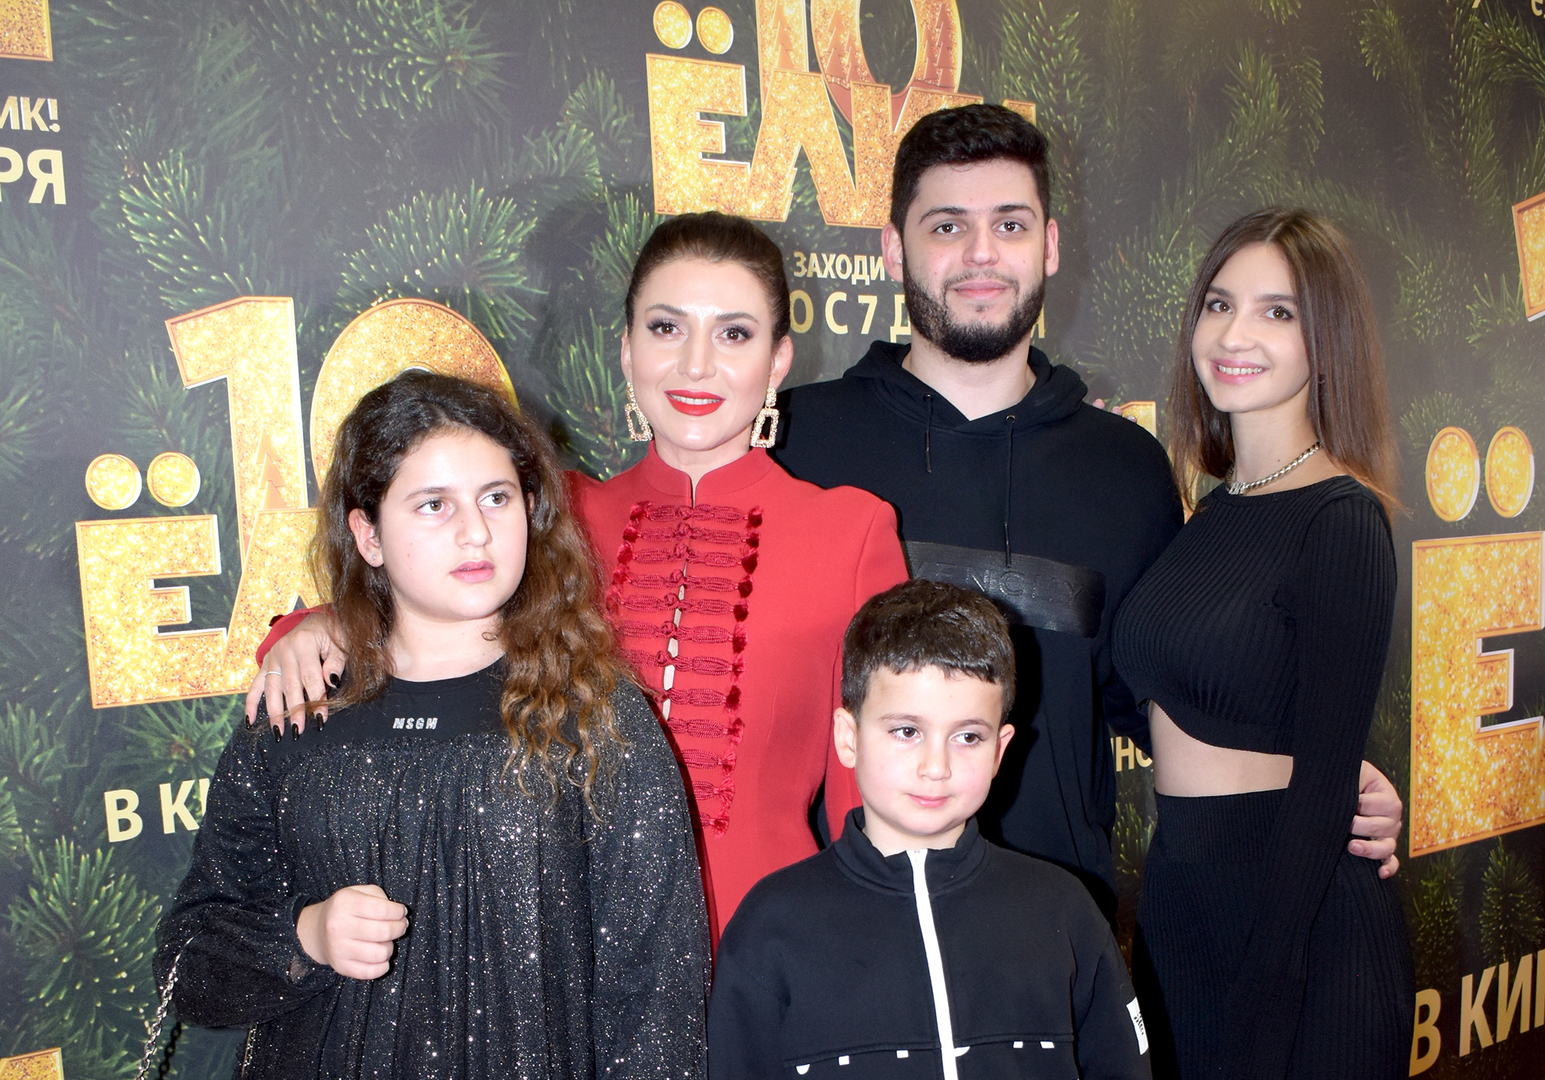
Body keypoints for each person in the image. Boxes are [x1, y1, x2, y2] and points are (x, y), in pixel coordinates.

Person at [771, 103, 1405, 916]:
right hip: (840, 922)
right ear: (893, 249)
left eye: (1008, 224)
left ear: (1049, 245)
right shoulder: (796, 441)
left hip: (1056, 928)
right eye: (946, 226)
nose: (980, 253)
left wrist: (1325, 779)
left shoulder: (1126, 467)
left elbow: (1166, 693)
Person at [247, 214, 909, 940]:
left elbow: (875, 789)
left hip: (777, 943)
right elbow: (421, 603)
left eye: (733, 334)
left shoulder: (851, 532)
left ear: (778, 361)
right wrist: (317, 625)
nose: (695, 365)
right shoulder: (554, 514)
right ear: (626, 350)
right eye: (666, 328)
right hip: (569, 940)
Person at [158, 372, 709, 1077]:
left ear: (531, 510)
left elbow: (656, 995)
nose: (475, 531)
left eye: (496, 497)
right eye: (432, 505)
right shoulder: (296, 711)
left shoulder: (598, 714)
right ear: (368, 535)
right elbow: (189, 965)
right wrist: (307, 936)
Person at [1111, 208, 1413, 1078]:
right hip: (1184, 906)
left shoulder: (1340, 519)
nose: (1233, 334)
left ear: (1326, 342)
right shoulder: (1213, 513)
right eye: (1219, 304)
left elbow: (1319, 788)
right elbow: (1173, 706)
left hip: (1298, 937)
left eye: (1276, 312)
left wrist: (1266, 995)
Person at [709, 579, 1151, 1079]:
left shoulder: (1063, 909)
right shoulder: (771, 924)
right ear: (849, 738)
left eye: (968, 737)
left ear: (1000, 750)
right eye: (907, 731)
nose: (936, 767)